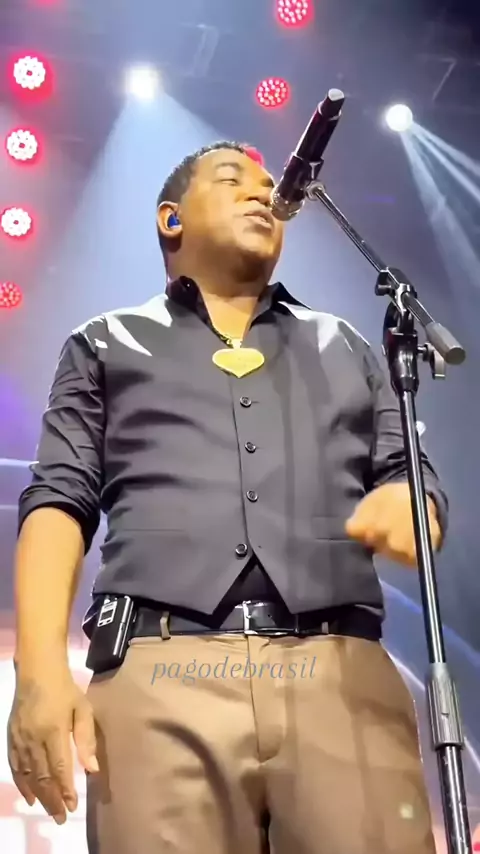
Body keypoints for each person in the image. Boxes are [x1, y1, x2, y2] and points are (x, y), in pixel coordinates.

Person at [8, 141, 447, 854]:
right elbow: (59, 499)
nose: (261, 193)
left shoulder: (345, 346)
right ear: (171, 219)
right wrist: (38, 675)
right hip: (160, 675)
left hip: (341, 676)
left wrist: (413, 507)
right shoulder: (104, 345)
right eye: (232, 178)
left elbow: (409, 473)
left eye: (269, 186)